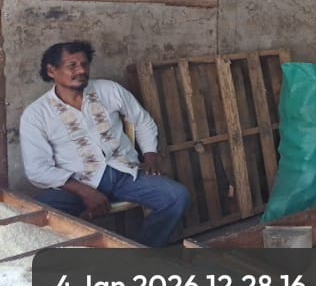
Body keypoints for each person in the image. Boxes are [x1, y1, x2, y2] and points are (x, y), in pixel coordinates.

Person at [19, 41, 190, 247]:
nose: (81, 70)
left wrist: (150, 156)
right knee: (37, 216)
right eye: (72, 65)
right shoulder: (36, 114)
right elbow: (37, 169)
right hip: (76, 183)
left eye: (84, 64)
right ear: (51, 71)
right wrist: (85, 191)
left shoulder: (108, 89)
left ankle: (141, 254)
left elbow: (142, 121)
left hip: (124, 173)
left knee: (176, 197)